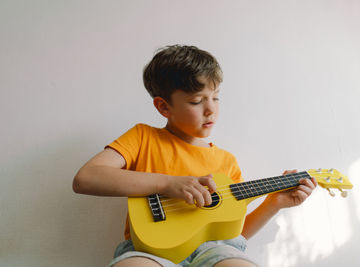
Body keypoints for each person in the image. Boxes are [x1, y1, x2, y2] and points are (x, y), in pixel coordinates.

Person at [72, 45, 317, 267]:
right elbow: (86, 178)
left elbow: (232, 231)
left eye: (216, 97)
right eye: (197, 101)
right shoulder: (143, 137)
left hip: (215, 252)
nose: (211, 109)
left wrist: (273, 204)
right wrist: (168, 183)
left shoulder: (226, 162)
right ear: (163, 107)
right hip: (149, 252)